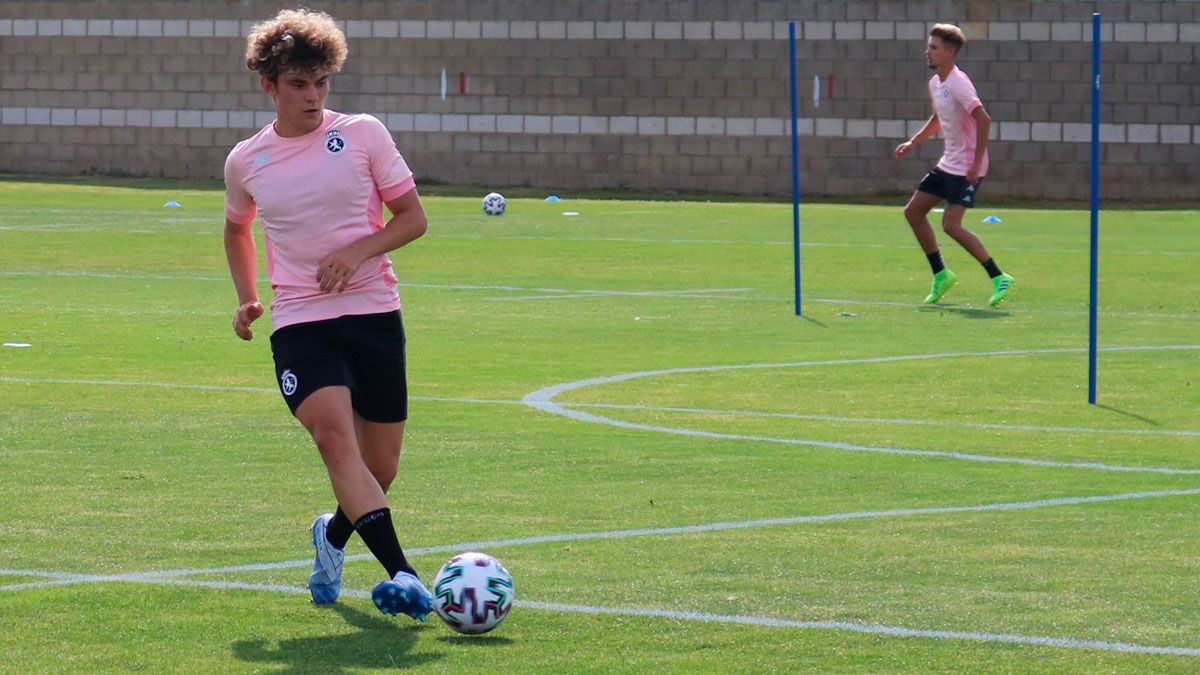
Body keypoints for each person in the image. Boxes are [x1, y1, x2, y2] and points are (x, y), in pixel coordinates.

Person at [222, 8, 432, 621]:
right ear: (269, 85)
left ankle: (332, 535)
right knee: (335, 440)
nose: (312, 96)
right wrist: (246, 295)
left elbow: (413, 218)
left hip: (373, 313)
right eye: (298, 84)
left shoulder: (364, 134)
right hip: (300, 323)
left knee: (381, 468)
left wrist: (358, 250)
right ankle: (405, 575)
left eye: (321, 82)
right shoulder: (246, 161)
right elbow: (237, 229)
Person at [894, 23, 1014, 307]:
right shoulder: (936, 83)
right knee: (913, 212)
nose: (928, 52)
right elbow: (939, 119)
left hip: (968, 167)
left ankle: (999, 277)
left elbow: (984, 119)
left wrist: (975, 163)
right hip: (949, 162)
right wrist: (915, 142)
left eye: (934, 48)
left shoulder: (960, 83)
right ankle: (941, 274)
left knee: (951, 225)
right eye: (928, 47)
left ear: (950, 53)